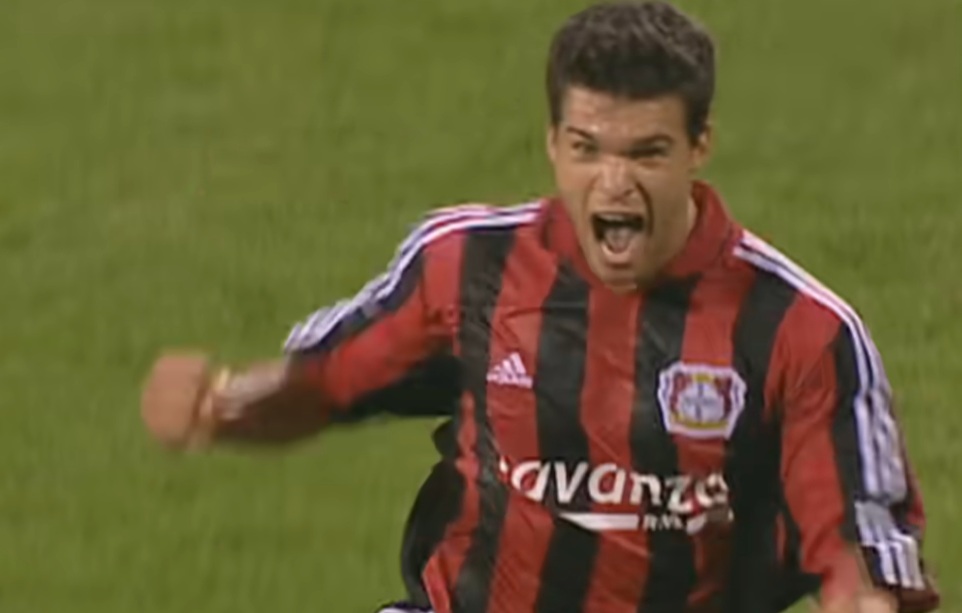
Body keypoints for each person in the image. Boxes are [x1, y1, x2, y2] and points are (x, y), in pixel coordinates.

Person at [139, 1, 941, 611]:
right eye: (587, 148)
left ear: (700, 145)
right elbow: (328, 382)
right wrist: (222, 406)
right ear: (553, 142)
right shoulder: (466, 268)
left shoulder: (803, 331)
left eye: (646, 152)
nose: (614, 184)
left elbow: (858, 543)